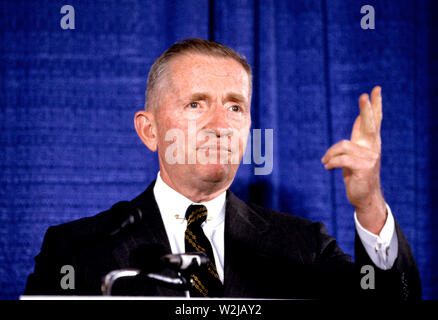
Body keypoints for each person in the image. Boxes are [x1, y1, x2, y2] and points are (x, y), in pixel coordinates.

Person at [24, 38, 421, 299]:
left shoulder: (302, 247)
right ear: (150, 130)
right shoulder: (76, 250)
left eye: (235, 106)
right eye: (196, 104)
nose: (220, 125)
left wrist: (369, 204)